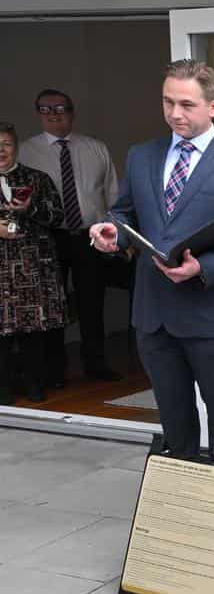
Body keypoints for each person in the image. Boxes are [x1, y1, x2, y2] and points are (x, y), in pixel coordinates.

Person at [89, 60, 214, 463]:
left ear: (213, 107)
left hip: (210, 312)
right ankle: (179, 495)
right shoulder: (142, 157)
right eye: (168, 102)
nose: (175, 113)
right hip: (153, 313)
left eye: (187, 104)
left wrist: (202, 268)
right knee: (173, 417)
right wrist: (112, 233)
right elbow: (124, 213)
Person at [20, 89, 123, 385]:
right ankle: (55, 370)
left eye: (60, 108)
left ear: (72, 111)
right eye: (45, 109)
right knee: (52, 305)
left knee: (92, 302)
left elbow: (113, 196)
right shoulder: (27, 151)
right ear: (38, 113)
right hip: (47, 238)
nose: (53, 114)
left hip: (90, 236)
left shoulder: (95, 148)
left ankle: (96, 365)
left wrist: (117, 235)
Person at [0, 121, 68, 403]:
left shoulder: (37, 179)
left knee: (33, 333)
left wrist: (31, 209)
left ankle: (34, 386)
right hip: (2, 271)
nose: (0, 150)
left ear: (16, 147)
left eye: (6, 144)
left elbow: (57, 216)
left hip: (32, 266)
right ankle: (2, 391)